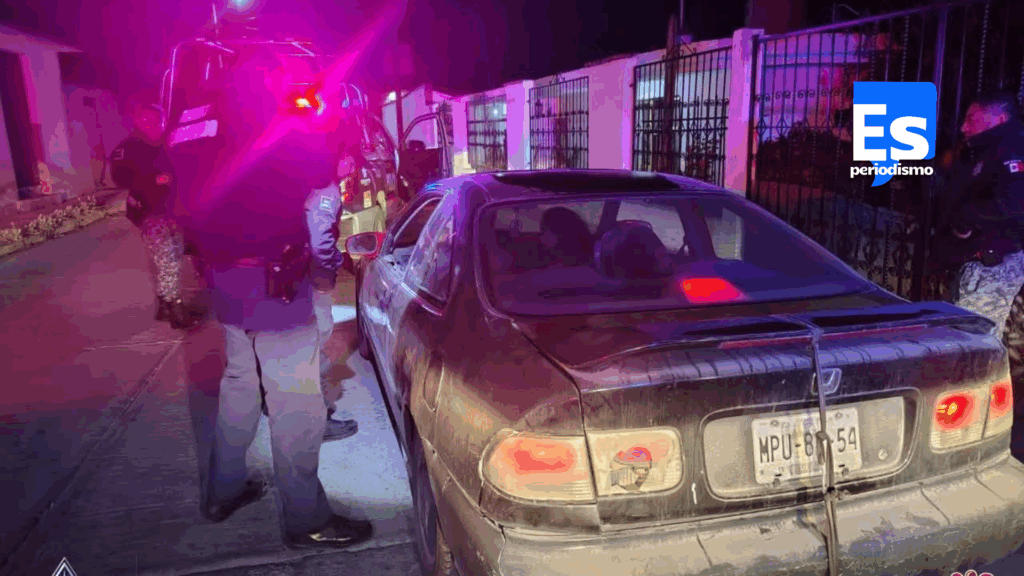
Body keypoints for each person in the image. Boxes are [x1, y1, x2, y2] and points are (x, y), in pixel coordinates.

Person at [188, 50, 372, 549]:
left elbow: (178, 195)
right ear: (269, 82)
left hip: (226, 282)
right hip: (275, 287)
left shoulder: (196, 123)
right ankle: (307, 518)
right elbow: (319, 170)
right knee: (295, 405)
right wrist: (312, 115)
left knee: (239, 385)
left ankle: (223, 492)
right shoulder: (277, 125)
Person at [932, 92, 1024, 340]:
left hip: (992, 263)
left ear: (1000, 118)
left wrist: (966, 218)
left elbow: (1014, 205)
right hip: (971, 262)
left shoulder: (1013, 149)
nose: (964, 127)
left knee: (975, 342)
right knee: (963, 340)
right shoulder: (986, 150)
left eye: (972, 119)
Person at [111, 101, 195, 330]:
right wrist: (153, 180)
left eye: (157, 119)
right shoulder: (127, 148)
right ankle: (175, 309)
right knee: (168, 259)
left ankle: (163, 304)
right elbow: (120, 178)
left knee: (172, 257)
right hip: (150, 212)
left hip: (175, 211)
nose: (152, 123)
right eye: (146, 118)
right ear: (136, 121)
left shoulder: (170, 142)